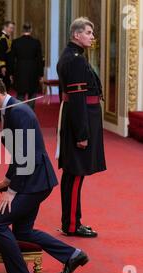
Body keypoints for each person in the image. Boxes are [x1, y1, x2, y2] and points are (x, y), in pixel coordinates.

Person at [0, 74, 89, 273]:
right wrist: (8, 179)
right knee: (23, 232)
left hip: (35, 182)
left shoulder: (19, 113)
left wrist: (12, 190)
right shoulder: (10, 111)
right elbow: (19, 153)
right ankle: (73, 255)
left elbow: (29, 156)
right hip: (32, 179)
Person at [57, 17, 106, 238]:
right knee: (76, 175)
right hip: (81, 121)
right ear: (77, 35)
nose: (92, 37)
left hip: (79, 118)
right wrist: (82, 134)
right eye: (88, 32)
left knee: (72, 175)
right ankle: (71, 225)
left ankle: (71, 221)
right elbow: (77, 99)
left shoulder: (73, 56)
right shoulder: (75, 60)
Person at [11, 23, 44, 110]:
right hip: (33, 70)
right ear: (31, 30)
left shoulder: (15, 42)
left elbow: (11, 59)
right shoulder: (36, 42)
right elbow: (40, 60)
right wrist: (41, 74)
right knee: (32, 93)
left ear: (22, 30)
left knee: (20, 93)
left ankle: (20, 112)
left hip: (20, 69)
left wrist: (11, 73)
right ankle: (30, 112)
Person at [0, 21, 15, 121]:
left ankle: (2, 112)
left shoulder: (5, 37)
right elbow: (1, 55)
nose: (12, 30)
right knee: (1, 92)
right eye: (10, 28)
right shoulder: (2, 39)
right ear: (5, 27)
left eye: (13, 28)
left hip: (5, 68)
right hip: (2, 70)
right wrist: (3, 68)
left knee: (4, 91)